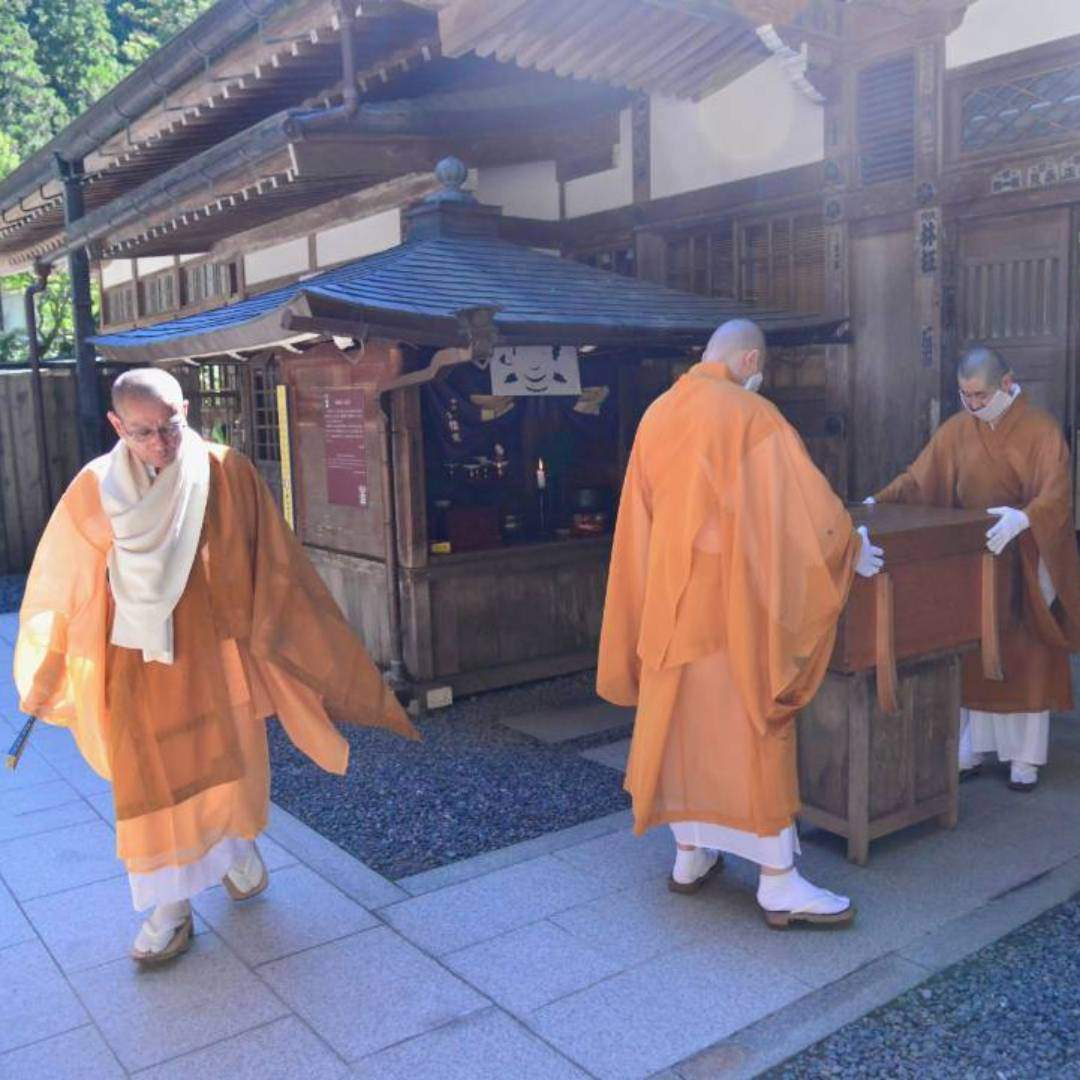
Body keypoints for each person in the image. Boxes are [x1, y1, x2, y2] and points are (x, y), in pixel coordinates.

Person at [14, 368, 418, 964]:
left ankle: (235, 855)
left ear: (186, 410)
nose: (160, 444)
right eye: (143, 432)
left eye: (171, 426)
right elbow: (65, 586)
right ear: (116, 425)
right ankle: (172, 907)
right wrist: (51, 667)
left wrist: (296, 643)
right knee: (148, 778)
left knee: (225, 759)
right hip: (137, 659)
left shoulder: (225, 470)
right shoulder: (94, 487)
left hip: (212, 651)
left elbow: (272, 565)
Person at [597, 319, 884, 929]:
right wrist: (848, 546)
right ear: (750, 358)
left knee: (682, 732)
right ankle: (777, 882)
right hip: (731, 612)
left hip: (671, 611)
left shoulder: (657, 414)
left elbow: (638, 523)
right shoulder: (751, 417)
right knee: (753, 732)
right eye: (762, 369)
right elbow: (802, 511)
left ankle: (690, 856)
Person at [868, 346, 1080, 792]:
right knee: (972, 645)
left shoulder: (1042, 430)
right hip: (974, 556)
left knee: (1025, 651)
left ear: (1006, 384)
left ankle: (1025, 757)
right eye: (965, 396)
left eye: (981, 395)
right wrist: (879, 502)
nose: (973, 405)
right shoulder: (956, 430)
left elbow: (1057, 495)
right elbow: (920, 478)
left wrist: (1025, 518)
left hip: (1025, 553)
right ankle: (974, 744)